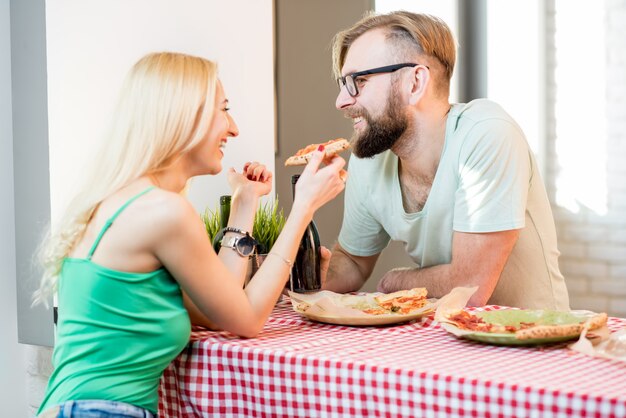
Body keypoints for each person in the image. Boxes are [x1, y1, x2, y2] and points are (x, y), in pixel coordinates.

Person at [33, 52, 346, 418]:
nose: (234, 128)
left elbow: (219, 311)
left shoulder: (123, 202)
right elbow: (247, 318)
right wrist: (303, 207)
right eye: (224, 109)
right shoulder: (163, 212)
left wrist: (245, 204)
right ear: (183, 115)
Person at [323, 11, 569, 310]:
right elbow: (352, 261)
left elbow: (470, 289)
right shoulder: (371, 158)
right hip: (443, 341)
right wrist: (298, 270)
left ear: (414, 82)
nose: (341, 101)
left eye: (358, 80)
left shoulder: (487, 133)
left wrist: (394, 282)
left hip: (531, 343)